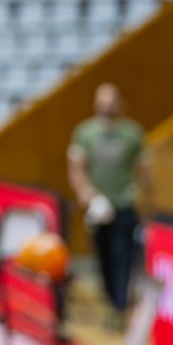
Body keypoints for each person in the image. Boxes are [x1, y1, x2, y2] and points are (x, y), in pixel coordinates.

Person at [67, 82, 151, 325]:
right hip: (98, 208)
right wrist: (89, 195)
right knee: (102, 257)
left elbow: (143, 171)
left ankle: (120, 306)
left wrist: (144, 199)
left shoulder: (132, 133)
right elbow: (77, 169)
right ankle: (111, 300)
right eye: (101, 101)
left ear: (120, 104)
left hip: (124, 205)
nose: (106, 107)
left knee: (122, 256)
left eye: (110, 101)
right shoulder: (85, 133)